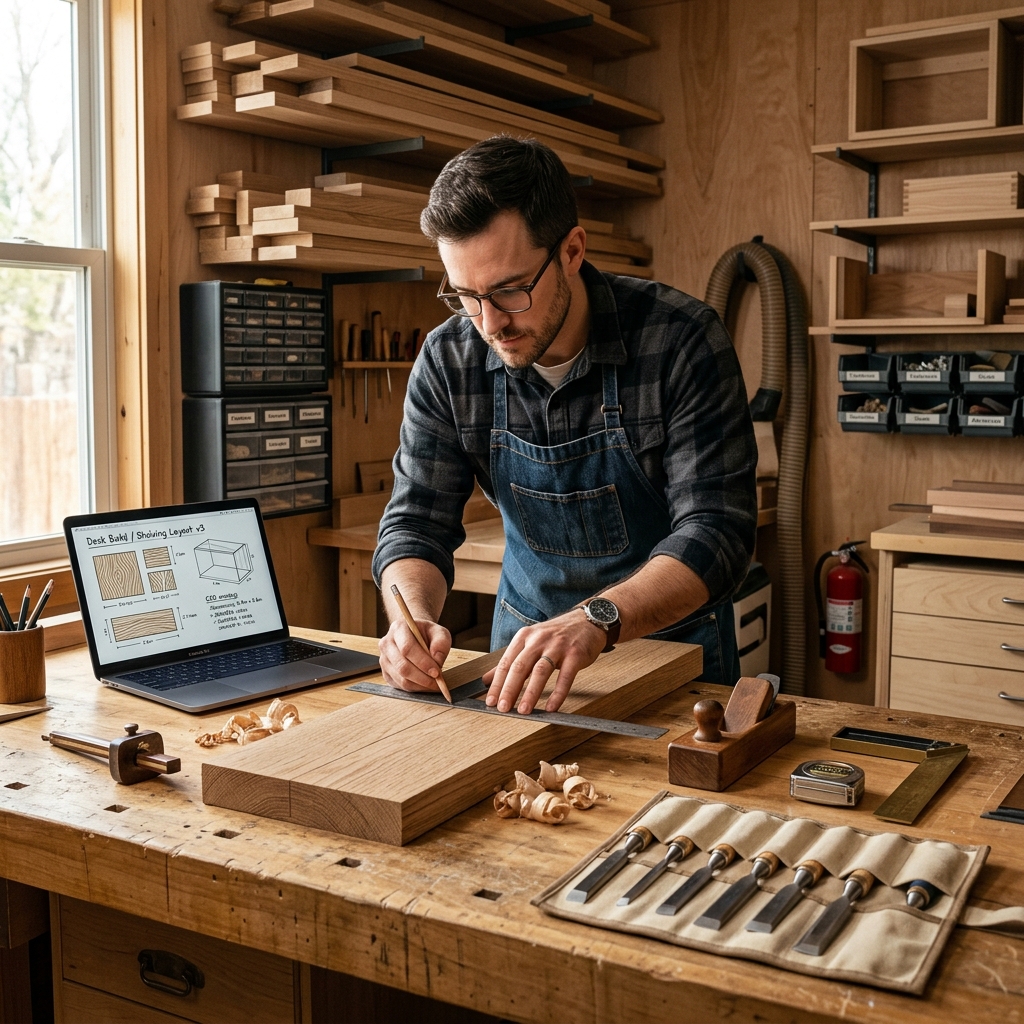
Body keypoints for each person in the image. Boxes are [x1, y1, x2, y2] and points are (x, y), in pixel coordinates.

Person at [372, 136, 757, 716]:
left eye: (509, 290)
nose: (491, 324)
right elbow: (415, 522)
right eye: (466, 297)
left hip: (674, 664)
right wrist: (412, 617)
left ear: (573, 250)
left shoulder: (680, 339)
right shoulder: (449, 359)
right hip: (521, 669)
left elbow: (718, 532)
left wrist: (595, 619)